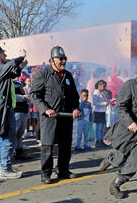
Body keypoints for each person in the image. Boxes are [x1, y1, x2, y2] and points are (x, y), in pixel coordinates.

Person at [101, 51, 137, 199]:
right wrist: (130, 122)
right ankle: (111, 159)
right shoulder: (131, 85)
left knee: (136, 161)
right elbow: (121, 106)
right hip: (127, 130)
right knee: (119, 158)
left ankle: (116, 184)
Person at [30, 46, 81, 184]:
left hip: (66, 116)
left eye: (65, 58)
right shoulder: (43, 73)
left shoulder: (68, 75)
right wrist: (45, 109)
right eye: (61, 59)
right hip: (50, 117)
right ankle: (46, 174)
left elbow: (75, 96)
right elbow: (34, 95)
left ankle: (63, 170)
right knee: (48, 146)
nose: (63, 61)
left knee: (65, 146)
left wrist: (76, 108)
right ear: (52, 60)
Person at [0, 43, 28, 180]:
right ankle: (5, 169)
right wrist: (21, 56)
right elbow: (10, 66)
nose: (6, 55)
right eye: (3, 53)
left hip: (3, 108)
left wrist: (20, 66)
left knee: (3, 140)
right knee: (9, 140)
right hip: (3, 109)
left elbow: (13, 72)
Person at [13, 77, 30, 160]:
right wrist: (24, 98)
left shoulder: (19, 84)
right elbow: (12, 97)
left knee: (20, 134)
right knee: (14, 133)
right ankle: (11, 152)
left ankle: (19, 151)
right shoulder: (8, 84)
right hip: (15, 110)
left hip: (23, 110)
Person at [93, 80, 110, 148]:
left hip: (103, 112)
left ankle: (102, 141)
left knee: (103, 128)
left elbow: (106, 100)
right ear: (99, 85)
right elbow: (95, 103)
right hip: (98, 112)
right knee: (98, 128)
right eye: (103, 86)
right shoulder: (96, 93)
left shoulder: (102, 93)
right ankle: (98, 141)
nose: (105, 87)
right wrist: (104, 104)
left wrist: (109, 101)